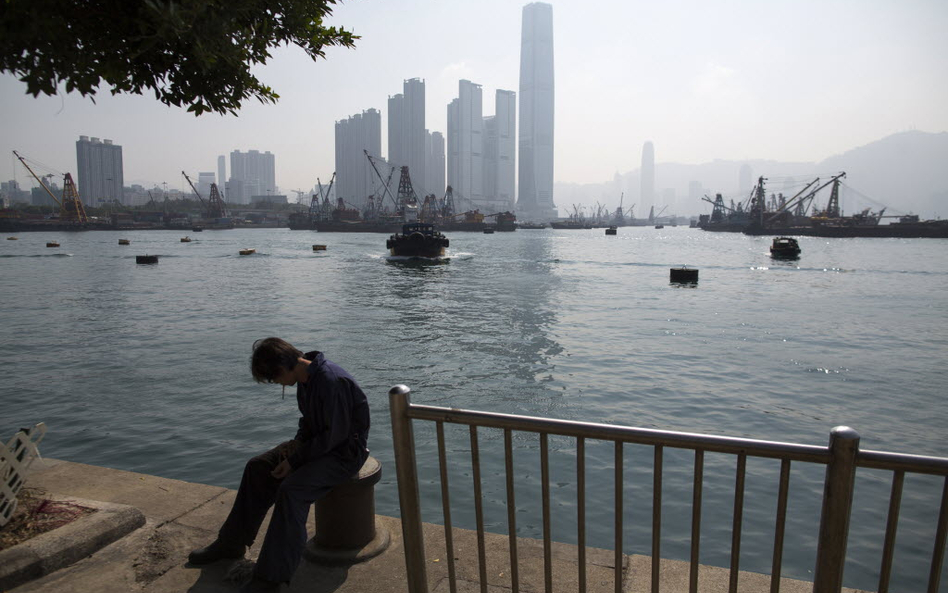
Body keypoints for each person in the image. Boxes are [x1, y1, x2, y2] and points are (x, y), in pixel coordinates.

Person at [188, 338, 371, 592]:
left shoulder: (331, 381)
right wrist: (292, 451)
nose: (276, 384)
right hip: (319, 445)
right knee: (258, 468)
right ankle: (231, 543)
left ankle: (272, 578)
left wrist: (294, 461)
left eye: (274, 378)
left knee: (292, 491)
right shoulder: (305, 379)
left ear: (285, 366)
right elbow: (308, 424)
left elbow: (334, 437)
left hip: (343, 454)